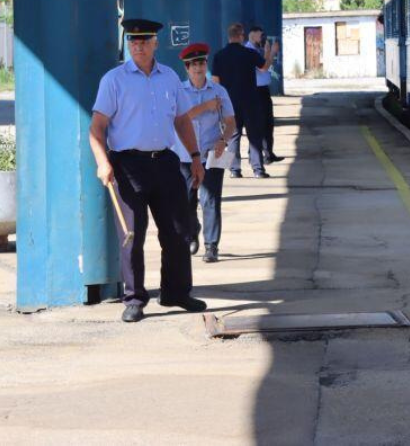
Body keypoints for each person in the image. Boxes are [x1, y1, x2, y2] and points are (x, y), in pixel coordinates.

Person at [89, 18, 207, 323]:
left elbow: (182, 121)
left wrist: (195, 157)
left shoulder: (168, 77)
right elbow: (97, 128)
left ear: (155, 43)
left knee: (179, 230)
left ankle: (176, 293)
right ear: (128, 44)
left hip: (165, 162)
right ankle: (135, 298)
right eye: (133, 41)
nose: (138, 46)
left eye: (144, 41)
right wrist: (103, 161)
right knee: (132, 235)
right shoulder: (114, 80)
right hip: (127, 165)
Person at [174, 43, 236, 263]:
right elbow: (179, 120)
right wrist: (205, 106)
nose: (198, 68)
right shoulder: (178, 91)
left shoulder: (219, 91)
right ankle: (192, 232)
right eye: (193, 65)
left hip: (212, 153)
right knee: (186, 201)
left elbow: (231, 122)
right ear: (186, 68)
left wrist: (223, 140)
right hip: (185, 156)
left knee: (210, 199)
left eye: (201, 63)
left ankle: (211, 245)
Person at [211, 22, 279, 179]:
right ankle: (258, 170)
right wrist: (270, 53)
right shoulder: (248, 53)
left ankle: (234, 170)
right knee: (254, 135)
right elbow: (264, 67)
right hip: (250, 101)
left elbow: (215, 81)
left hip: (229, 102)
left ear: (229, 37)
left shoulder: (219, 55)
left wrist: (218, 101)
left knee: (233, 136)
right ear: (241, 36)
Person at [245, 25, 281, 164]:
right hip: (256, 91)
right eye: (261, 36)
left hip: (263, 89)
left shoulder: (256, 49)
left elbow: (264, 65)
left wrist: (266, 51)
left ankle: (268, 153)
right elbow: (263, 68)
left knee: (267, 123)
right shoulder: (249, 50)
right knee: (259, 123)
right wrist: (272, 52)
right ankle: (256, 155)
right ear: (252, 35)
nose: (263, 38)